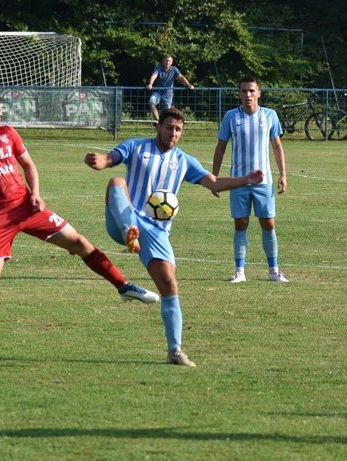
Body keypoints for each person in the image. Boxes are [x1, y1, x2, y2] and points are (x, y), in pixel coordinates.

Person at [0, 87, 159, 369]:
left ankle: (123, 286)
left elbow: (29, 165)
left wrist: (36, 192)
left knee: (80, 242)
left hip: (27, 207)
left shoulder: (8, 133)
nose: (1, 112)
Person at [84, 108, 263, 367]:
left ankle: (175, 351)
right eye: (168, 127)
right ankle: (129, 233)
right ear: (158, 127)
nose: (173, 133)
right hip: (125, 217)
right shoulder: (136, 146)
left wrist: (245, 180)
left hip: (157, 229)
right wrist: (101, 161)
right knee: (116, 182)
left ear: (182, 133)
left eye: (178, 129)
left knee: (169, 284)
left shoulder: (184, 161)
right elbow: (112, 158)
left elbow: (213, 183)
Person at [212, 75, 288, 283]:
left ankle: (273, 271)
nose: (248, 94)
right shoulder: (231, 117)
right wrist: (215, 177)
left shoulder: (270, 115)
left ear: (259, 93)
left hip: (264, 182)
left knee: (268, 223)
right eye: (244, 91)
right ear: (239, 94)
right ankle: (239, 271)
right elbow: (221, 147)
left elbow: (277, 146)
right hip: (239, 182)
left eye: (251, 90)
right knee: (241, 223)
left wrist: (283, 174)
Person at [145, 54, 194, 122]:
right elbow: (154, 76)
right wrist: (150, 84)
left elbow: (181, 77)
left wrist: (189, 85)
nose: (167, 62)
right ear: (162, 61)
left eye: (169, 61)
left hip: (168, 94)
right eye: (166, 61)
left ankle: (163, 124)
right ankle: (157, 120)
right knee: (151, 102)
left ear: (172, 62)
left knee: (166, 112)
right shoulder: (158, 67)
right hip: (157, 92)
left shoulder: (174, 69)